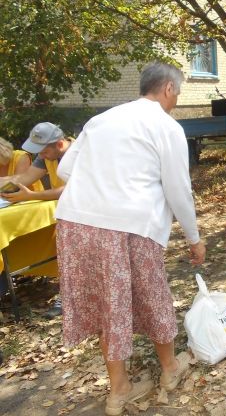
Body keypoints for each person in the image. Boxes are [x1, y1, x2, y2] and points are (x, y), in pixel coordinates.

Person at [54, 61, 206, 415]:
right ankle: (170, 370)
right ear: (168, 89)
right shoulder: (166, 126)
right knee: (152, 294)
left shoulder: (100, 120)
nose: (176, 101)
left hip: (77, 224)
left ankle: (118, 390)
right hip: (129, 226)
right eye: (178, 93)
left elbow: (64, 169)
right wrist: (194, 237)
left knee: (107, 302)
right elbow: (178, 189)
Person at [0, 124, 72, 318]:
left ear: (59, 144)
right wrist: (5, 188)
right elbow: (26, 178)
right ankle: (68, 295)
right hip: (64, 210)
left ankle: (70, 297)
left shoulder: (78, 153)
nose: (41, 155)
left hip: (86, 212)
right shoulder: (46, 155)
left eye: (43, 151)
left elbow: (70, 189)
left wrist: (31, 196)